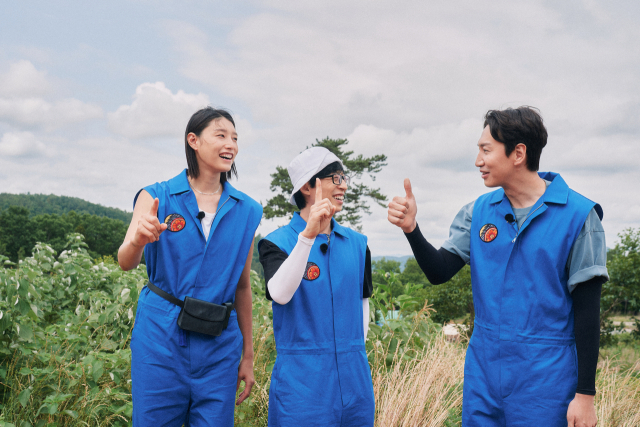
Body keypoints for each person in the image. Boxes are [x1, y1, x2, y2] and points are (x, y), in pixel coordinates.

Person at [388, 106, 607, 427]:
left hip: (545, 379)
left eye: (485, 150)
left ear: (518, 153)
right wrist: (411, 229)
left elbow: (588, 312)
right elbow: (439, 272)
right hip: (484, 375)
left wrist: (585, 395)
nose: (478, 160)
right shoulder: (477, 212)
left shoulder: (579, 216)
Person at [118, 107, 262, 426]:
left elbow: (242, 285)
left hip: (219, 343)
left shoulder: (247, 210)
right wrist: (139, 240)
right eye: (221, 135)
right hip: (160, 338)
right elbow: (125, 261)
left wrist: (248, 355)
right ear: (193, 141)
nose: (231, 145)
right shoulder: (155, 196)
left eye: (235, 138)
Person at [258, 147, 375, 427]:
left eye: (345, 178)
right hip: (302, 386)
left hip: (354, 379)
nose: (344, 185)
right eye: (335, 178)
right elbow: (279, 293)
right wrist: (308, 235)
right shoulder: (277, 243)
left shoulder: (358, 244)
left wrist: (353, 353)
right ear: (309, 186)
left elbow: (362, 308)